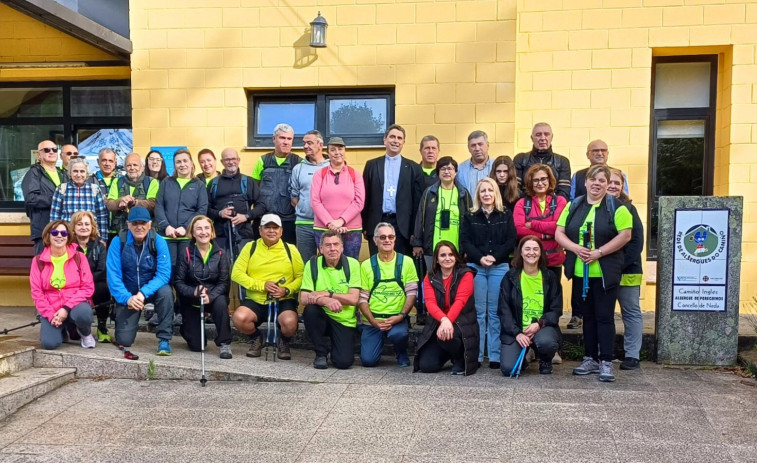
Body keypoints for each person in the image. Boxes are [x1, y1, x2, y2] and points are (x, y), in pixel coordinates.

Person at [555, 165, 632, 382]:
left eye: (602, 180)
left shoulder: (617, 208)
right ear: (586, 182)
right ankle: (589, 358)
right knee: (587, 317)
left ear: (608, 185)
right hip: (581, 273)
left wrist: (599, 252)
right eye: (593, 179)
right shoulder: (574, 205)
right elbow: (559, 232)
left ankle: (606, 361)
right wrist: (574, 248)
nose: (597, 184)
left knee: (604, 317)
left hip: (605, 273)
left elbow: (625, 236)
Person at [460, 177, 517, 369]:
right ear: (478, 194)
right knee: (478, 312)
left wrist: (494, 256)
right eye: (483, 191)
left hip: (498, 267)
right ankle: (476, 354)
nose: (486, 194)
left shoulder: (505, 214)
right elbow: (465, 241)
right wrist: (480, 258)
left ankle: (494, 355)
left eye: (490, 190)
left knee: (495, 312)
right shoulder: (470, 216)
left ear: (495, 193)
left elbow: (511, 240)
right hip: (476, 268)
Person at [231, 214, 304, 360]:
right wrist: (261, 285)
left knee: (290, 323)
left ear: (281, 231)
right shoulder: (250, 247)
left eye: (275, 228)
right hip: (256, 299)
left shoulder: (290, 249)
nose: (272, 231)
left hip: (283, 299)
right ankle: (257, 338)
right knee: (239, 318)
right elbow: (236, 274)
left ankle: (283, 341)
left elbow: (301, 276)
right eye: (267, 227)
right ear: (260, 230)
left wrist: (286, 290)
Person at [106, 206, 174, 358]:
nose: (139, 227)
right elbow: (113, 277)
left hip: (151, 290)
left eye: (143, 223)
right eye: (135, 223)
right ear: (128, 225)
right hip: (129, 293)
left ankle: (164, 339)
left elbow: (163, 275)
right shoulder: (118, 242)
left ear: (150, 224)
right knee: (125, 340)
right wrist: (128, 297)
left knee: (166, 292)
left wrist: (143, 293)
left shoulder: (159, 241)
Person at [499, 236, 563, 376]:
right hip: (517, 331)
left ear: (541, 253)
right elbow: (504, 311)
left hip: (541, 328)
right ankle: (523, 360)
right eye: (527, 249)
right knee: (508, 369)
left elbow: (556, 310)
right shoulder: (510, 277)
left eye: (535, 249)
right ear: (520, 252)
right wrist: (517, 333)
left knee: (547, 343)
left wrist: (540, 324)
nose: (531, 252)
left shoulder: (550, 277)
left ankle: (546, 360)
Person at [358, 222, 419, 367]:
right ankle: (372, 339)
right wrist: (373, 321)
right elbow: (362, 299)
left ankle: (401, 351)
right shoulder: (366, 265)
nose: (387, 240)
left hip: (397, 319)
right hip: (373, 321)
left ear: (395, 239)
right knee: (368, 361)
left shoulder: (407, 262)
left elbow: (411, 294)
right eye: (383, 237)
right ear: (375, 240)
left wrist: (401, 316)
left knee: (399, 334)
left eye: (391, 236)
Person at [414, 241, 478, 375]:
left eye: (451, 255)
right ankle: (448, 352)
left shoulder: (466, 274)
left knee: (447, 335)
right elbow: (430, 303)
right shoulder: (430, 277)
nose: (447, 258)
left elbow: (460, 301)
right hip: (441, 324)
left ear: (456, 257)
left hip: (462, 323)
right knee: (426, 366)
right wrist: (444, 320)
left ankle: (459, 358)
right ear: (437, 259)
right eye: (443, 255)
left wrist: (447, 321)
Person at [173, 215, 233, 359]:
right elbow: (179, 282)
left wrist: (210, 296)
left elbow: (224, 283)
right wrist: (194, 291)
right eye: (198, 229)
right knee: (197, 346)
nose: (203, 232)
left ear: (212, 232)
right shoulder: (185, 253)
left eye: (207, 228)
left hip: (214, 296)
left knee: (220, 303)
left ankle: (225, 343)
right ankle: (186, 327)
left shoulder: (221, 253)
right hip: (191, 298)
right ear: (192, 233)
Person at [30, 220, 95, 350]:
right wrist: (50, 314)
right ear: (48, 236)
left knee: (84, 314)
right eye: (55, 232)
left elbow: (87, 287)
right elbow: (37, 293)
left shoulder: (79, 257)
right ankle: (62, 328)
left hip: (74, 305)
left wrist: (65, 309)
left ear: (68, 236)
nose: (59, 236)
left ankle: (85, 334)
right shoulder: (38, 261)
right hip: (51, 308)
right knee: (49, 344)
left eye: (63, 233)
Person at [300, 231, 361, 369]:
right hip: (322, 316)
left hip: (344, 320)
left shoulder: (353, 264)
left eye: (336, 244)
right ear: (321, 249)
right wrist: (325, 301)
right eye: (327, 245)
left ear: (342, 247)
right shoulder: (313, 264)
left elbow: (354, 299)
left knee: (343, 363)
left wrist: (329, 294)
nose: (332, 248)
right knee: (310, 310)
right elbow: (304, 298)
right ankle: (321, 353)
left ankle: (335, 347)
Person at [362, 124, 424, 256]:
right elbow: (365, 197)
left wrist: (415, 232)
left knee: (400, 266)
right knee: (377, 264)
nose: (396, 141)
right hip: (376, 222)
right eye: (392, 137)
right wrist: (365, 226)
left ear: (403, 142)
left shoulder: (413, 168)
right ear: (385, 140)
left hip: (402, 227)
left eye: (399, 138)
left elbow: (417, 203)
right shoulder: (372, 165)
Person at [607, 168, 644, 371]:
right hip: (604, 270)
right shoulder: (597, 207)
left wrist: (619, 266)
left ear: (622, 186)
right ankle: (607, 352)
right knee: (605, 313)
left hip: (628, 270)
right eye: (609, 182)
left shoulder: (629, 209)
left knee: (631, 312)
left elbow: (636, 241)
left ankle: (632, 355)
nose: (613, 186)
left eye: (617, 183)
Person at [412, 156, 472, 270]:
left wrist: (468, 247)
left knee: (455, 280)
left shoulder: (463, 194)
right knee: (433, 278)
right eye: (443, 169)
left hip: (457, 246)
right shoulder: (429, 192)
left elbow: (471, 221)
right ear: (438, 172)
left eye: (450, 168)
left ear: (456, 172)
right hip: (432, 246)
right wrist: (417, 243)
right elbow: (420, 217)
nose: (446, 172)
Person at [310, 137, 365, 259]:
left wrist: (341, 221)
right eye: (333, 150)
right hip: (323, 229)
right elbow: (315, 201)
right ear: (328, 153)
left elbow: (359, 202)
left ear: (345, 151)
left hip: (351, 230)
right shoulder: (319, 174)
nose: (337, 152)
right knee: (326, 266)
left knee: (350, 266)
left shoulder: (355, 174)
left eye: (340, 149)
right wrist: (330, 223)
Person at [155, 148, 209, 272]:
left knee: (186, 272)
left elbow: (201, 210)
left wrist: (186, 227)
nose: (182, 164)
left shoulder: (199, 185)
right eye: (178, 162)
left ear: (191, 163)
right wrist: (166, 226)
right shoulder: (166, 182)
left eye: (185, 161)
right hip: (167, 238)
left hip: (188, 238)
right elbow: (159, 205)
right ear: (174, 165)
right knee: (168, 272)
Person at [512, 164, 567, 284]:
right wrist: (545, 236)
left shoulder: (560, 201)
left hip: (554, 260)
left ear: (549, 180)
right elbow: (519, 229)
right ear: (530, 183)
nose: (540, 183)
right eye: (535, 180)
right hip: (529, 262)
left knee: (552, 299)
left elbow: (558, 227)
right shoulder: (522, 203)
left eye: (543, 179)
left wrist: (532, 224)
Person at [252, 123, 303, 245]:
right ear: (274, 139)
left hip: (289, 221)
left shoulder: (299, 163)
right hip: (264, 219)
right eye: (282, 138)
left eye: (289, 139)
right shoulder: (262, 161)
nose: (286, 142)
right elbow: (254, 190)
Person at [206, 147, 263, 254]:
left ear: (238, 160)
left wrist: (246, 216)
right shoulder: (214, 184)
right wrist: (219, 214)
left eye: (233, 159)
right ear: (222, 162)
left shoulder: (248, 182)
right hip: (220, 236)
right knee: (222, 268)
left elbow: (262, 206)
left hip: (244, 235)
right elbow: (205, 208)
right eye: (227, 159)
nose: (231, 162)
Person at [22, 140, 69, 255]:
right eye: (47, 150)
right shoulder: (33, 173)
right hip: (44, 230)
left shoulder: (62, 174)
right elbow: (31, 198)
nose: (51, 152)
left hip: (63, 231)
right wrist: (57, 199)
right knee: (44, 267)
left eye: (54, 149)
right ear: (39, 155)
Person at [290, 130, 330, 262]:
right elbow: (294, 196)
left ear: (320, 144)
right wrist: (304, 209)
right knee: (306, 264)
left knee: (329, 262)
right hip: (304, 224)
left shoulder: (332, 166)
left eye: (310, 143)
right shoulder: (298, 168)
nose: (306, 146)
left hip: (327, 225)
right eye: (304, 143)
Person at [71, 210, 111, 343]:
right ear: (74, 228)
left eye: (87, 224)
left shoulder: (100, 246)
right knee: (74, 336)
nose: (84, 227)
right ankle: (77, 326)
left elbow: (101, 270)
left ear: (92, 226)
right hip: (73, 285)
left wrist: (85, 282)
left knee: (103, 288)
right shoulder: (68, 247)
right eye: (79, 224)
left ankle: (102, 327)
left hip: (93, 282)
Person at [50, 157, 109, 239]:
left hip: (90, 238)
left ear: (87, 173)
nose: (78, 175)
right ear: (70, 173)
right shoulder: (61, 189)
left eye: (82, 171)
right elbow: (54, 217)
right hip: (68, 237)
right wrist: (55, 236)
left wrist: (103, 239)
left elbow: (102, 216)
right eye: (75, 171)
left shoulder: (94, 189)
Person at [514, 123, 571, 199]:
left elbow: (564, 192)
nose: (543, 138)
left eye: (546, 134)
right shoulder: (520, 159)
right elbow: (514, 189)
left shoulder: (562, 161)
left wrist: (549, 205)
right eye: (538, 135)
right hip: (525, 207)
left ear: (552, 137)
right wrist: (532, 204)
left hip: (554, 208)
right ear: (532, 138)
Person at [106, 153, 159, 234]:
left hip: (144, 233)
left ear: (142, 167)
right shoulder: (117, 182)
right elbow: (109, 204)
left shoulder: (151, 182)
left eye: (135, 165)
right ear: (125, 168)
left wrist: (135, 203)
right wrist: (119, 202)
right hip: (120, 232)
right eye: (129, 165)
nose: (132, 168)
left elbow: (153, 203)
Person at [457, 130, 495, 196]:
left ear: (488, 145)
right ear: (468, 148)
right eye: (473, 145)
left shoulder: (496, 166)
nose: (477, 148)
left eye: (480, 144)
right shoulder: (460, 170)